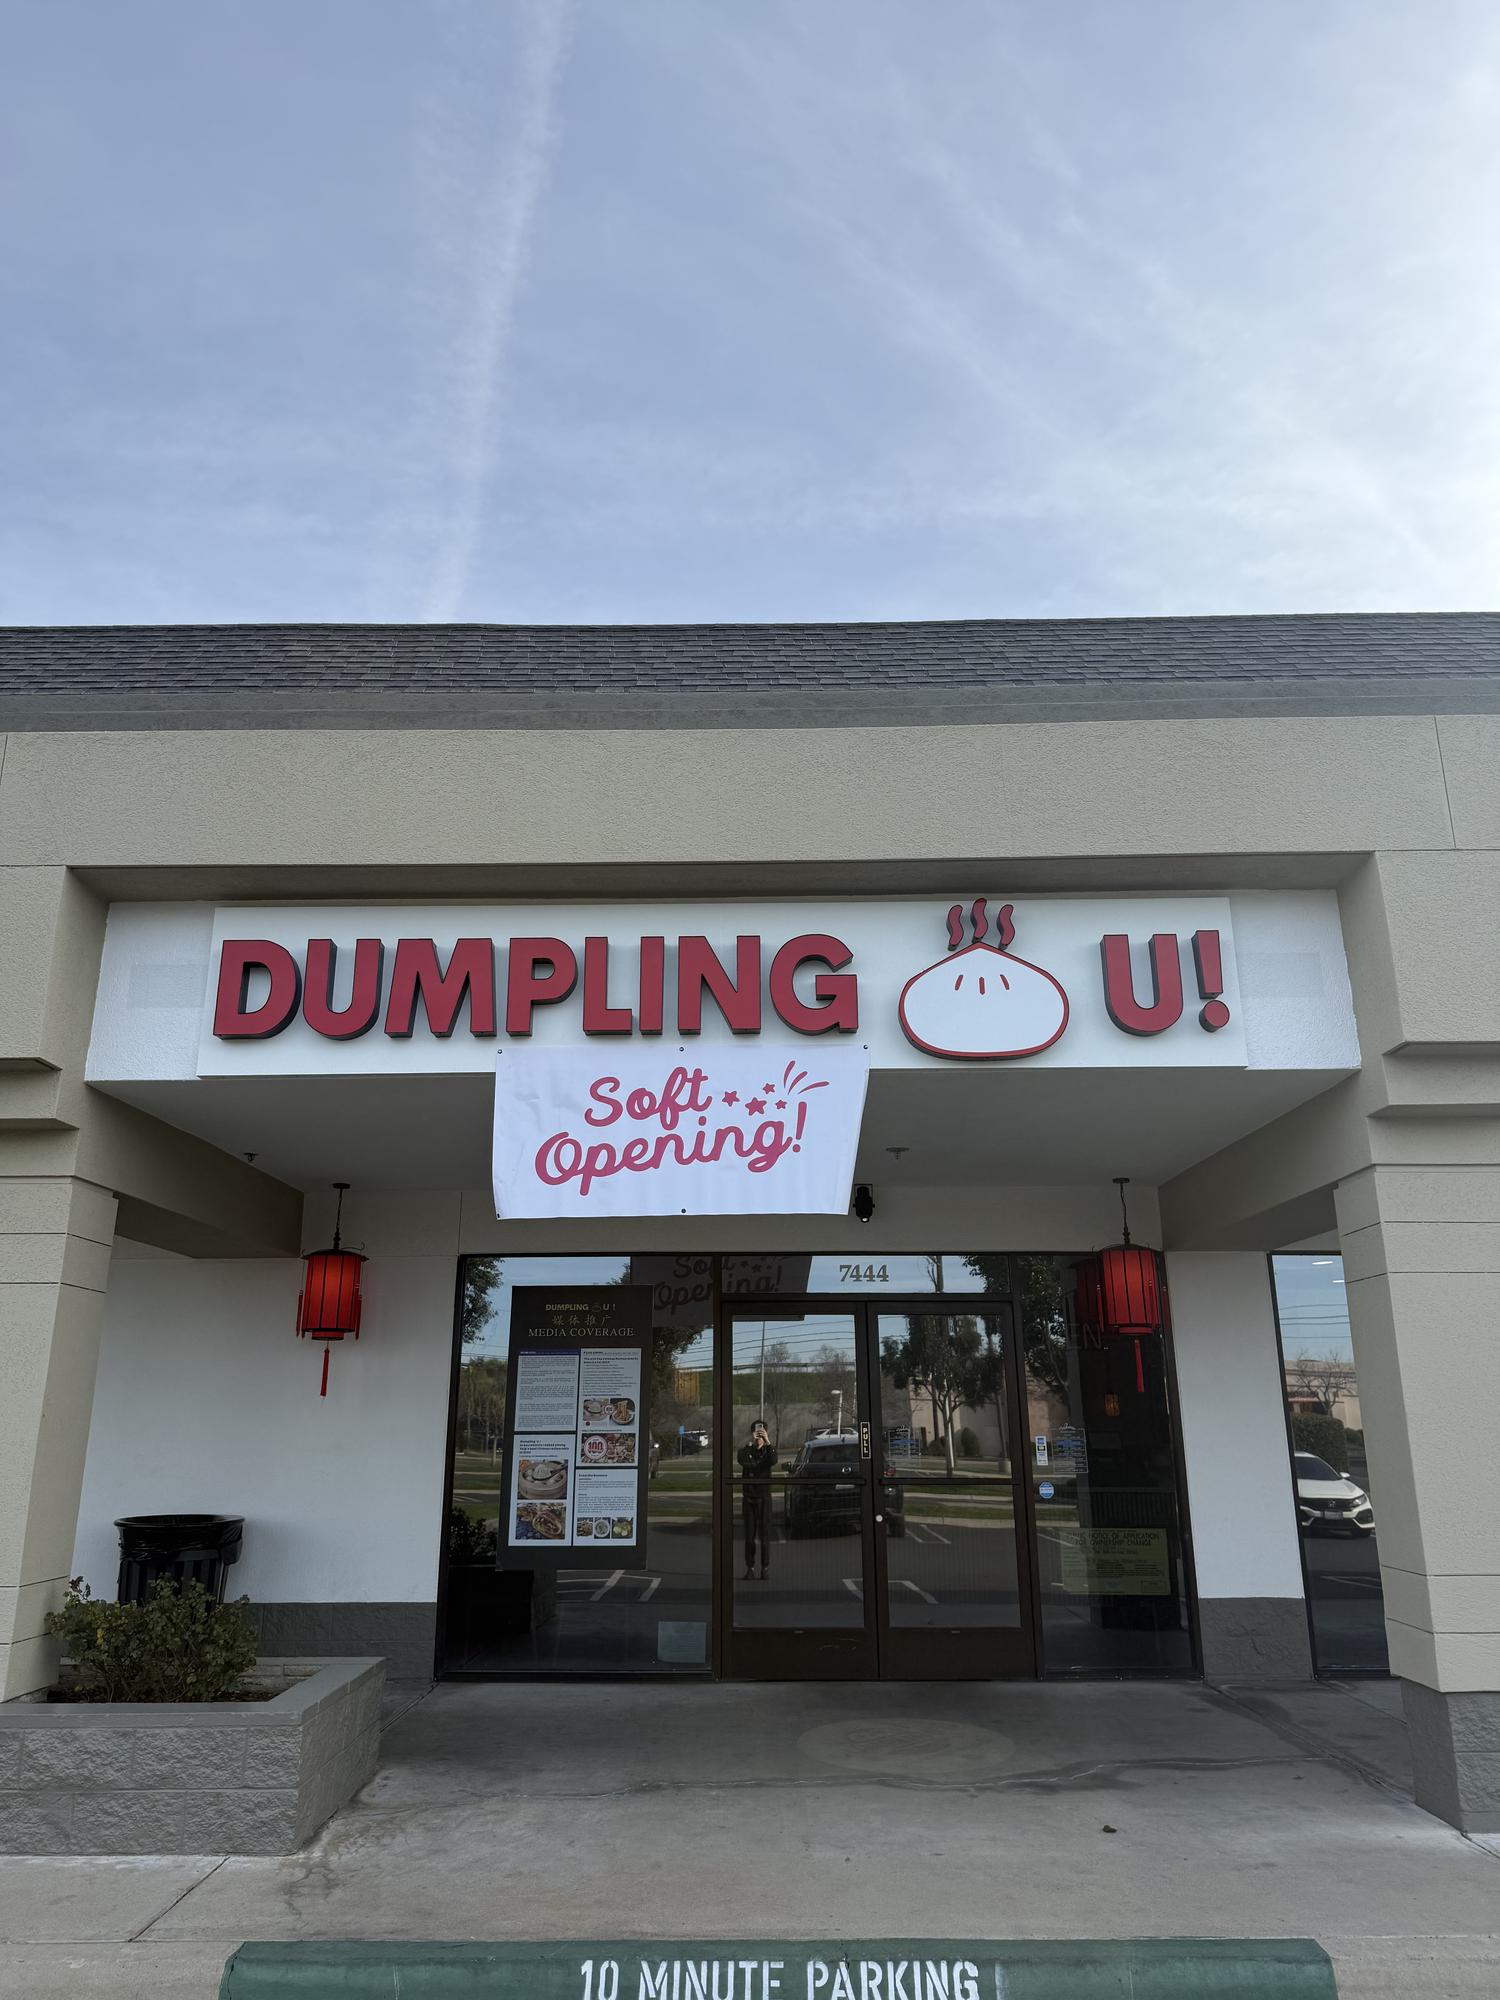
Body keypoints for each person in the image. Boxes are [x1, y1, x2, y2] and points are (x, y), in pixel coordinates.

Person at [737, 1419, 776, 1579]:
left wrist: (767, 1442)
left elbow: (773, 1460)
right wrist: (750, 1442)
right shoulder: (747, 1450)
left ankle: (765, 1568)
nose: (759, 1434)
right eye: (756, 1432)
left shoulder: (768, 1451)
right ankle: (750, 1568)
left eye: (761, 1432)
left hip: (764, 1498)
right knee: (749, 1537)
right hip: (749, 1498)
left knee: (765, 1535)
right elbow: (742, 1460)